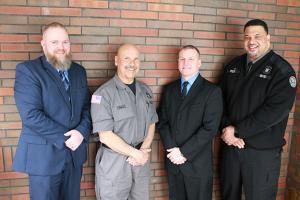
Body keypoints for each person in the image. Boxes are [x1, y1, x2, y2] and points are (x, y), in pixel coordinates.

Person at [220, 19, 297, 200]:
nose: (251, 41)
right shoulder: (233, 66)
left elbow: (274, 112)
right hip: (231, 148)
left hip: (262, 153)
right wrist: (226, 130)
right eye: (247, 37)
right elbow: (219, 102)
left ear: (268, 38)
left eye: (257, 36)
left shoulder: (282, 71)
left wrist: (237, 130)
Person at [13, 22, 91, 200]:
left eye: (65, 42)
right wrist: (67, 138)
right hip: (44, 158)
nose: (61, 47)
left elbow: (87, 107)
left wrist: (81, 132)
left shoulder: (79, 72)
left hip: (74, 156)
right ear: (43, 44)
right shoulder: (28, 70)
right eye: (54, 42)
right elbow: (31, 115)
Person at [91, 44, 158, 200]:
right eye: (126, 58)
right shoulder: (103, 94)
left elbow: (151, 122)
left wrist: (143, 150)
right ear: (116, 61)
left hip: (141, 161)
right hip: (114, 163)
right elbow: (105, 136)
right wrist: (135, 153)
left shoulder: (145, 91)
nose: (132, 64)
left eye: (135, 59)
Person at [158, 45, 223, 200]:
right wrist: (172, 150)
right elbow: (162, 122)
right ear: (177, 62)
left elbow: (210, 128)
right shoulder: (169, 90)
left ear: (199, 63)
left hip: (197, 165)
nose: (185, 62)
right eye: (182, 59)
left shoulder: (212, 91)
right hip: (174, 163)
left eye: (191, 59)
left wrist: (183, 152)